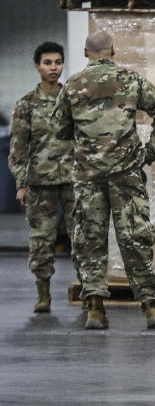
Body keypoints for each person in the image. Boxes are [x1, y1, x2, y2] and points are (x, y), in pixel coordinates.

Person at [52, 30, 155, 330]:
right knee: (134, 237)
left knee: (89, 240)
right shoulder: (131, 80)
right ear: (113, 50)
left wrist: (87, 143)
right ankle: (150, 308)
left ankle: (95, 308)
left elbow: (58, 128)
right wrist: (147, 154)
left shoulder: (73, 84)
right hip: (126, 173)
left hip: (88, 176)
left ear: (85, 52)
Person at [8, 42, 79, 313]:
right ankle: (44, 294)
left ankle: (87, 291)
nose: (54, 68)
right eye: (48, 63)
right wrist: (21, 183)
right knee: (41, 239)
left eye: (58, 62)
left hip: (73, 180)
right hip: (40, 182)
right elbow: (18, 148)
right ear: (38, 66)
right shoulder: (26, 104)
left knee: (82, 237)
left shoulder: (72, 100)